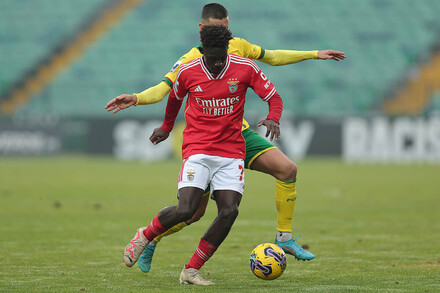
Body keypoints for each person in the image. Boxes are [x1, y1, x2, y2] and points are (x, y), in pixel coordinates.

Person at [106, 3, 346, 273]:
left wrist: (314, 54)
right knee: (192, 213)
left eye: (227, 28)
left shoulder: (238, 47)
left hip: (238, 135)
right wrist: (137, 98)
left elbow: (273, 56)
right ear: (202, 30)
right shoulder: (188, 62)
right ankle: (151, 238)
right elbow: (165, 91)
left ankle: (285, 238)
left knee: (288, 170)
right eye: (220, 29)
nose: (226, 34)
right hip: (206, 142)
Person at [123, 24, 283, 285]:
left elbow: (274, 98)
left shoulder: (245, 68)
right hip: (198, 149)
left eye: (223, 56)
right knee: (187, 210)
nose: (219, 62)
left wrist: (273, 117)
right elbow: (174, 99)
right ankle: (145, 234)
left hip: (231, 151)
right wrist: (166, 127)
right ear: (203, 51)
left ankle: (191, 269)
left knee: (229, 211)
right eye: (213, 57)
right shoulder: (188, 71)